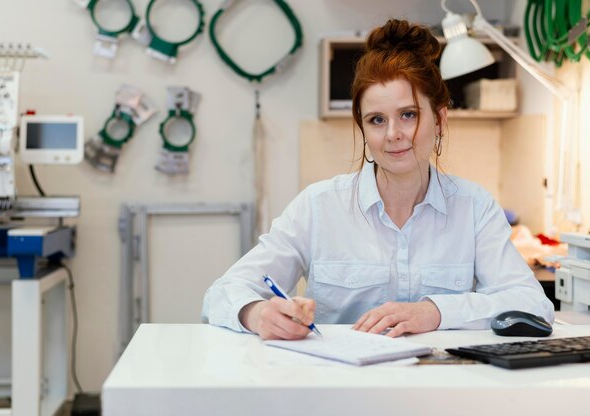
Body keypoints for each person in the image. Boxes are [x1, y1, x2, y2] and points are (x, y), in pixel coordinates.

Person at [202, 19, 554, 340]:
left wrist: (433, 311)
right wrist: (258, 312)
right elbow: (223, 292)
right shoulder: (319, 206)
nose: (393, 134)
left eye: (408, 114)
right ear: (363, 128)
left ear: (440, 120)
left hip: (438, 390)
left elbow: (533, 304)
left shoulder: (474, 208)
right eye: (376, 120)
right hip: (339, 391)